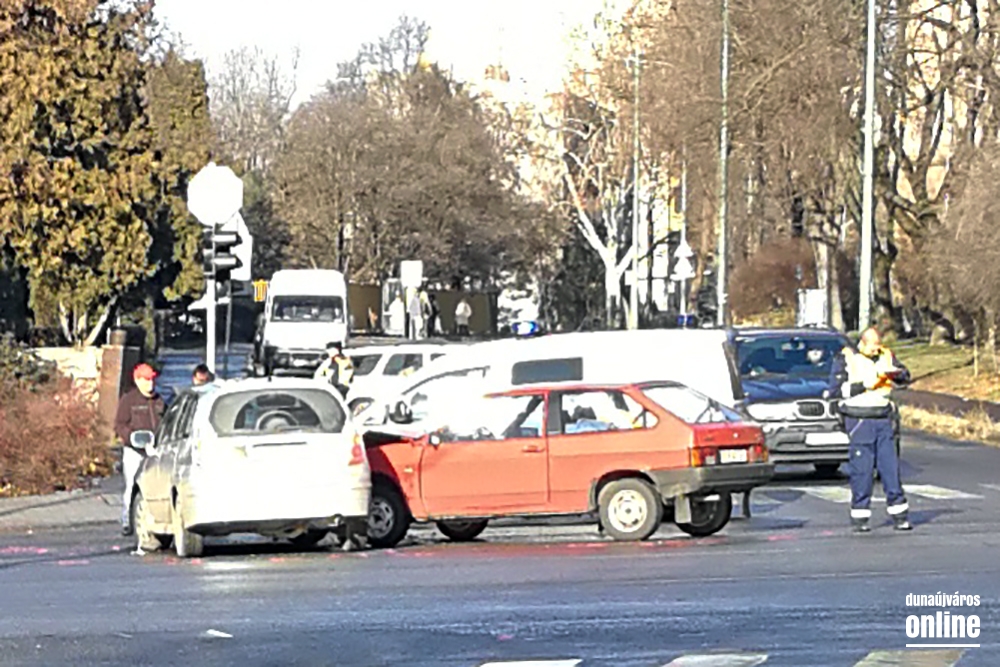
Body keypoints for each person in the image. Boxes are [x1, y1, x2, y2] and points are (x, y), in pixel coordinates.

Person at [840, 327, 912, 533]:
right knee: (862, 471)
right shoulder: (847, 358)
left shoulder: (886, 355)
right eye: (872, 346)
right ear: (862, 343)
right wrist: (865, 385)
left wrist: (897, 375)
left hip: (883, 418)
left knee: (890, 468)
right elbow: (838, 390)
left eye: (878, 345)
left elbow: (905, 376)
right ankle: (860, 517)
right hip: (859, 419)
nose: (876, 350)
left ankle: (900, 515)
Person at [114, 363, 165, 536]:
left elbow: (165, 422)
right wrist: (133, 439)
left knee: (156, 485)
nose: (150, 383)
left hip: (155, 450)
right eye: (146, 379)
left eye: (152, 379)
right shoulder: (129, 400)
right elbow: (120, 425)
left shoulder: (159, 400)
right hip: (134, 451)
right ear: (137, 380)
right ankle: (127, 520)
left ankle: (154, 518)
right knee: (132, 485)